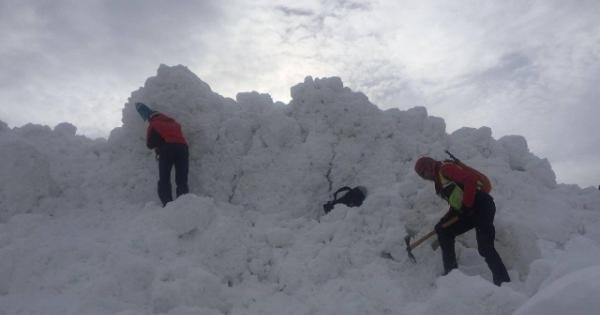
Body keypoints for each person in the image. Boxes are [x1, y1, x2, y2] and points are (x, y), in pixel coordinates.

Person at [414, 156, 510, 286]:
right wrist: (443, 221)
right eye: (421, 176)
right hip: (469, 211)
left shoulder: (445, 169)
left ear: (428, 167)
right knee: (444, 231)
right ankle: (451, 276)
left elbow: (469, 180)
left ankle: (503, 282)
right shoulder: (439, 182)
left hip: (482, 205)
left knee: (485, 247)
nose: (424, 178)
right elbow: (456, 204)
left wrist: (467, 205)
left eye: (423, 174)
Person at [135, 102, 189, 206]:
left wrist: (159, 146)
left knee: (164, 178)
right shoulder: (174, 123)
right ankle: (183, 204)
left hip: (167, 149)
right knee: (182, 179)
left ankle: (167, 204)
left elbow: (150, 144)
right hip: (183, 148)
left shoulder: (154, 124)